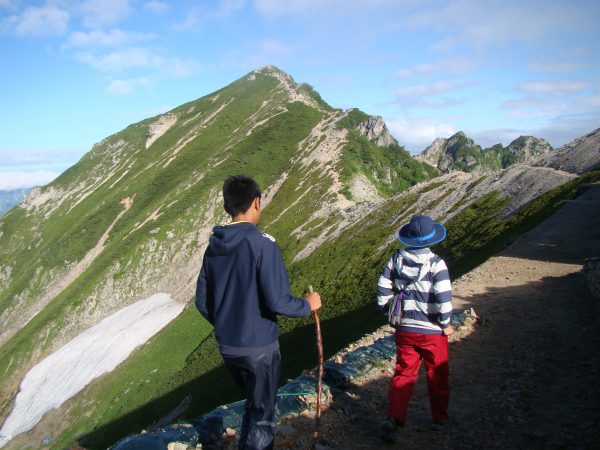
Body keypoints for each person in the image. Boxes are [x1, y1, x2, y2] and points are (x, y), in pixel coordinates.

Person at [195, 175, 321, 450]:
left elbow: (202, 301)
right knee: (263, 413)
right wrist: (308, 305)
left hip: (228, 347)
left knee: (254, 404)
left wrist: (225, 323)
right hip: (259, 348)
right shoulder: (263, 244)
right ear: (256, 202)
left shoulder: (213, 247)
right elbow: (278, 301)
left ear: (229, 206)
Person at [376, 215, 453, 443]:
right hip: (432, 330)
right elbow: (444, 298)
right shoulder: (436, 264)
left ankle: (394, 417)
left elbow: (382, 287)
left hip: (404, 328)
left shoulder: (396, 259)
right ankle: (439, 418)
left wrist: (388, 311)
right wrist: (446, 324)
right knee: (437, 373)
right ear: (430, 239)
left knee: (404, 372)